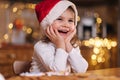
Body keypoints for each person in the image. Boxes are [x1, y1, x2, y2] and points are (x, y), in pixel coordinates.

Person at [30, 0, 88, 74]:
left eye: (70, 20)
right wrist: (60, 45)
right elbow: (58, 72)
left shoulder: (71, 45)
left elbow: (82, 70)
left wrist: (67, 44)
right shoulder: (41, 46)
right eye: (59, 19)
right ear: (47, 24)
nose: (66, 25)